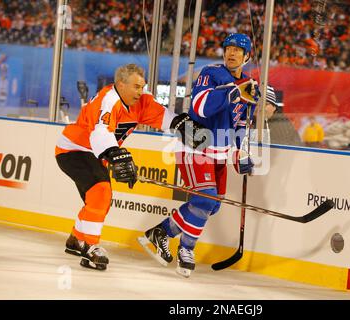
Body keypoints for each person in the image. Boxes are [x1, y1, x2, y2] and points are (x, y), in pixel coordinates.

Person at [55, 63, 204, 270]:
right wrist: (115, 154)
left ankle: (75, 240)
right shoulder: (109, 100)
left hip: (94, 153)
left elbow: (162, 115)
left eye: (142, 86)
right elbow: (100, 132)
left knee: (99, 199)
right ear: (121, 85)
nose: (140, 91)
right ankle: (90, 246)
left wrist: (180, 124)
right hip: (73, 149)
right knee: (101, 191)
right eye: (135, 86)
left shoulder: (141, 102)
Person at [138, 33, 260, 278]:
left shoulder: (249, 84)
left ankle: (161, 232)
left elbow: (240, 125)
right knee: (204, 200)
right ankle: (186, 249)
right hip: (196, 147)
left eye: (238, 50)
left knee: (211, 205)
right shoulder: (211, 73)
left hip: (220, 154)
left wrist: (241, 153)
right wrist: (233, 92)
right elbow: (200, 107)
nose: (232, 53)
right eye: (229, 48)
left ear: (247, 57)